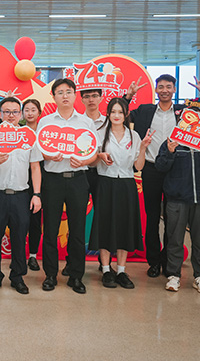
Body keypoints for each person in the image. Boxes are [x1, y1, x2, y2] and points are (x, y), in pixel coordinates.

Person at [123, 75, 200, 278]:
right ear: (156, 90)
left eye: (169, 87)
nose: (164, 90)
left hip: (176, 172)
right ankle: (153, 262)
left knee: (173, 221)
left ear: (174, 90)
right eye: (161, 87)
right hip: (151, 169)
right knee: (152, 219)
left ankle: (169, 262)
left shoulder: (184, 112)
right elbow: (120, 114)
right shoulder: (145, 111)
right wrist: (129, 96)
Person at [38, 78, 99, 294]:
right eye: (60, 92)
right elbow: (38, 150)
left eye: (69, 92)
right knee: (51, 229)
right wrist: (48, 155)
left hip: (78, 179)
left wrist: (83, 161)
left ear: (75, 95)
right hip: (52, 180)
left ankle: (76, 275)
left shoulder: (85, 122)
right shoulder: (45, 122)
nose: (65, 96)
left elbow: (93, 153)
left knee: (77, 230)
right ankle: (50, 275)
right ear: (53, 96)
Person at [154, 112, 200, 293]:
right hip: (177, 199)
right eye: (187, 119)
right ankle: (173, 275)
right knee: (175, 239)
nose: (192, 123)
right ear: (181, 122)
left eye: (197, 120)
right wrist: (170, 153)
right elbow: (160, 166)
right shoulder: (171, 142)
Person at [0, 97, 42, 295]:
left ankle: (17, 277)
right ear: (0, 114)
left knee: (19, 238)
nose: (11, 115)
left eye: (15, 112)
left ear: (20, 114)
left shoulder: (29, 136)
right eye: (6, 112)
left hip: (21, 196)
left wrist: (37, 194)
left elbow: (35, 167)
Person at [89, 98, 153, 289]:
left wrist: (143, 148)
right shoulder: (99, 133)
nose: (116, 115)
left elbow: (138, 166)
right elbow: (91, 162)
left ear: (126, 115)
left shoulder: (134, 136)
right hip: (105, 183)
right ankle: (106, 270)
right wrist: (99, 156)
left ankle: (122, 271)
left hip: (126, 184)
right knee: (105, 225)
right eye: (113, 112)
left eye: (120, 112)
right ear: (108, 114)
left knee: (125, 226)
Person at [22, 98, 43, 271]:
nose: (30, 113)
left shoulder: (46, 132)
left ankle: (33, 256)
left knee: (36, 220)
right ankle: (19, 255)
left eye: (33, 110)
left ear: (39, 113)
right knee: (20, 220)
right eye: (26, 110)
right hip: (20, 180)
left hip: (40, 180)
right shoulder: (18, 132)